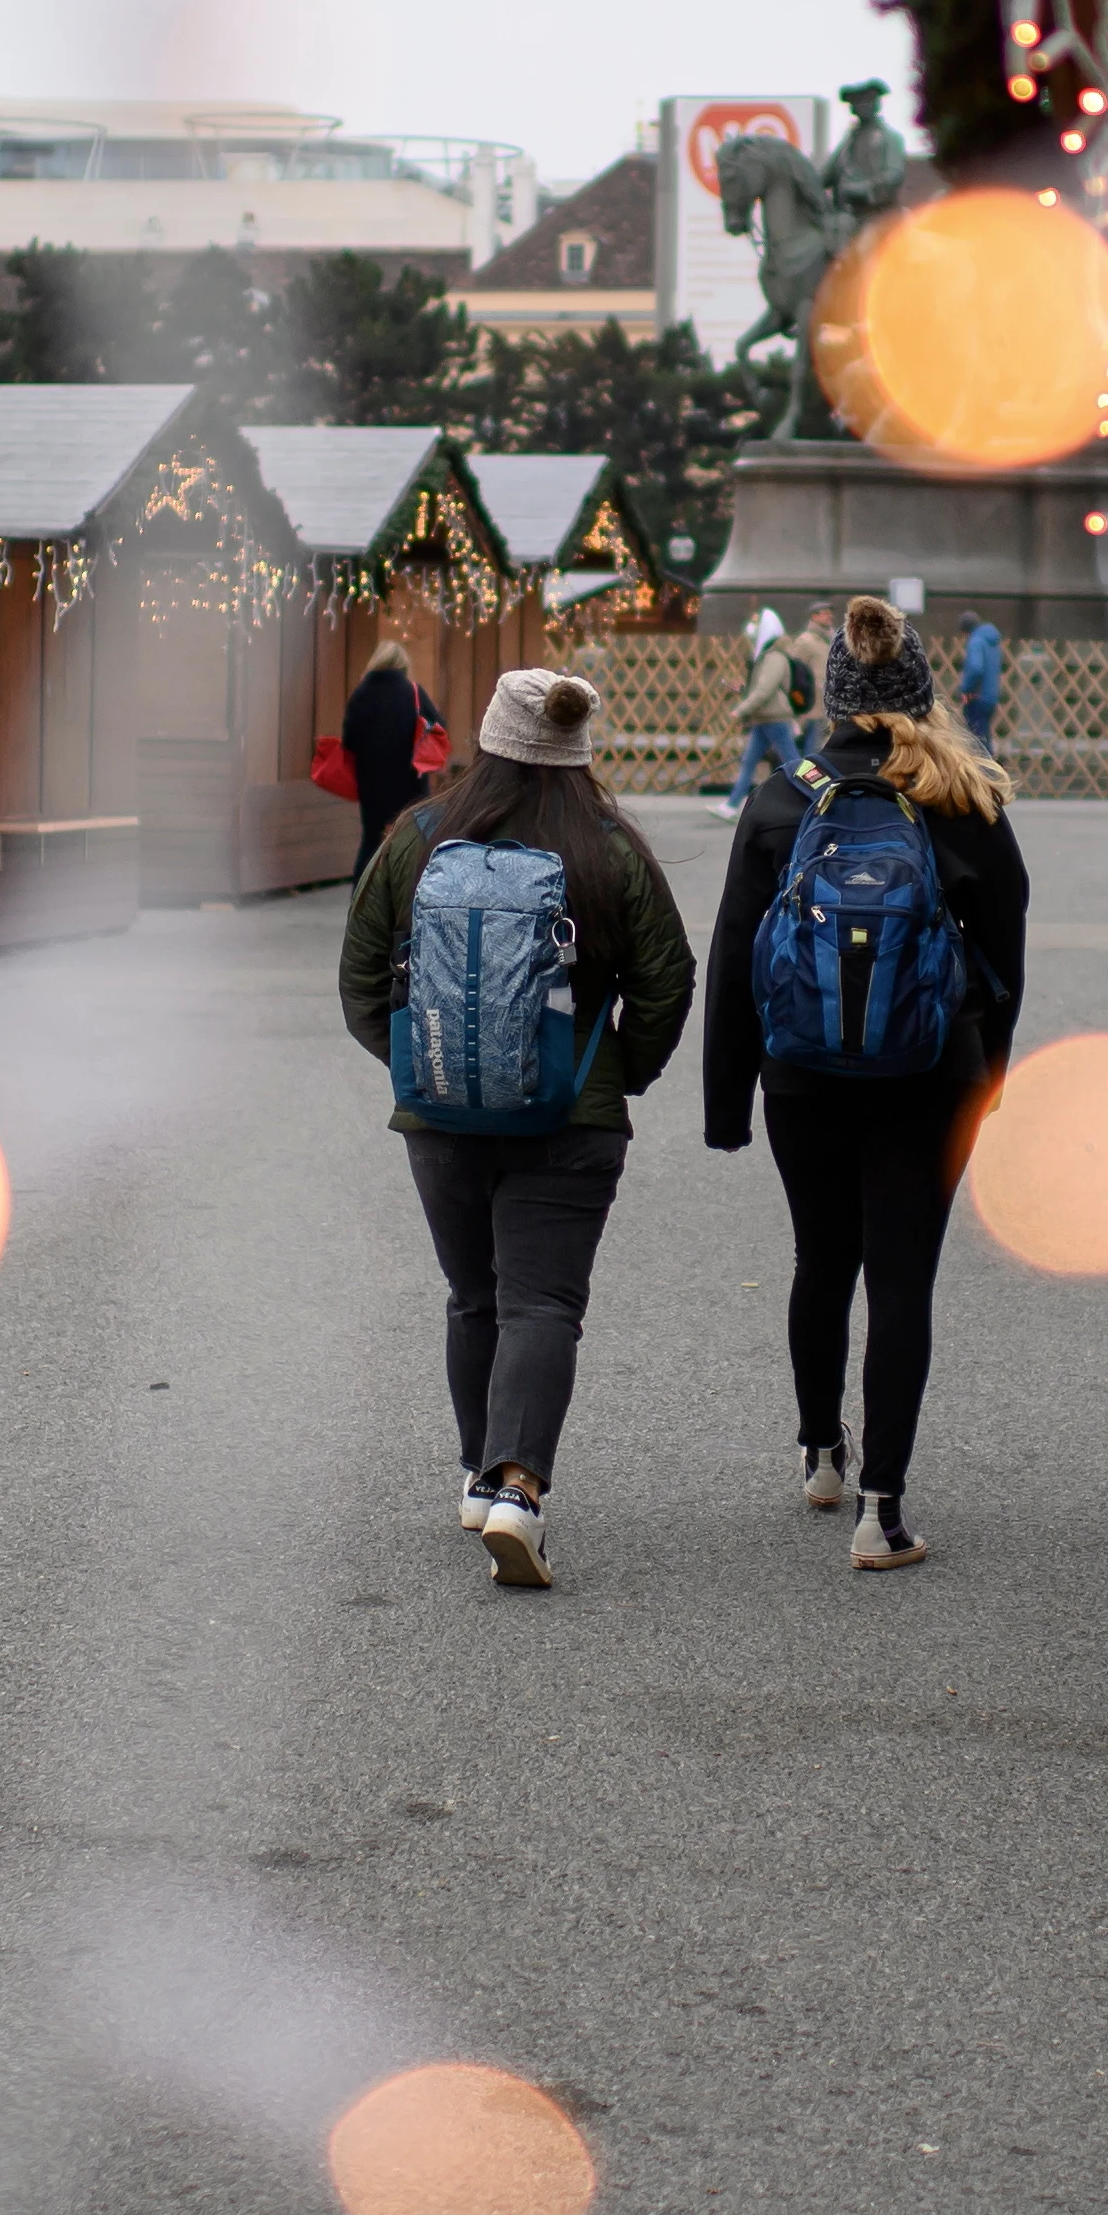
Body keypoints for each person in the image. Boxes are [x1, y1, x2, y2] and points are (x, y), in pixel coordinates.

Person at [340, 668, 696, 1588]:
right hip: (571, 1114)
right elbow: (667, 979)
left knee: (474, 1294)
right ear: (577, 752)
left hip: (442, 1118)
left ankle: (475, 1474)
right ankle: (519, 1491)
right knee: (542, 1302)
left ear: (489, 741)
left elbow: (360, 975)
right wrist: (620, 1072)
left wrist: (423, 1067)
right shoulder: (610, 849)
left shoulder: (417, 838)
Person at [706, 595, 1028, 1572]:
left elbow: (733, 954)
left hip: (801, 1073)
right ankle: (881, 1511)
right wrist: (992, 1075)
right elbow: (1005, 955)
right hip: (932, 1073)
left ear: (834, 701)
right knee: (901, 1279)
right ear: (923, 692)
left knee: (821, 1260)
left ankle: (819, 1452)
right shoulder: (961, 798)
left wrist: (728, 1101)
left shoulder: (782, 799)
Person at [338, 634, 442, 871]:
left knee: (371, 841)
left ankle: (363, 899)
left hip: (371, 785)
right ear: (402, 665)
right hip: (410, 782)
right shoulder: (413, 692)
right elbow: (439, 727)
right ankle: (407, 894)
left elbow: (349, 741)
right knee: (413, 841)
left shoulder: (360, 695)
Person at [714, 606, 807, 821]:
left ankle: (812, 799)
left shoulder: (774, 657)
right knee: (751, 761)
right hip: (765, 718)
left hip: (774, 717)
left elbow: (765, 690)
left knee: (792, 762)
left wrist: (741, 709)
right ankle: (731, 804)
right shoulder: (769, 656)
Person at [954, 613, 1008, 753]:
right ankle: (991, 771)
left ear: (965, 630)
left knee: (977, 744)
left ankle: (987, 773)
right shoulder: (992, 642)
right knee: (984, 738)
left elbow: (976, 668)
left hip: (976, 697)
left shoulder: (976, 641)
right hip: (990, 697)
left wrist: (965, 689)